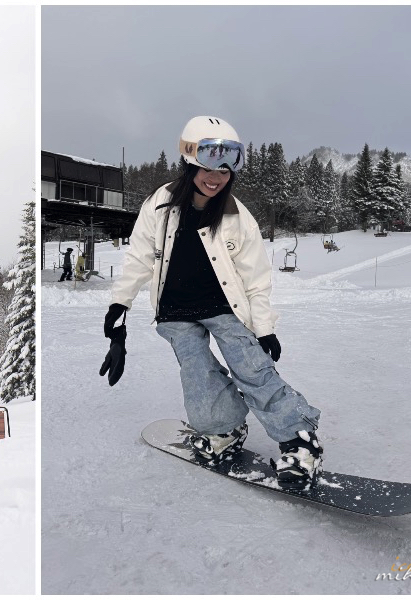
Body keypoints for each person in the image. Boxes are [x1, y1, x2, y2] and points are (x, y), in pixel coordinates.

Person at [100, 116, 323, 490]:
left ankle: (300, 443)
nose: (216, 177)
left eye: (225, 169)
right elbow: (139, 257)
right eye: (207, 166)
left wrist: (264, 328)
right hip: (174, 310)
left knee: (253, 369)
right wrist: (119, 305)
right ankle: (223, 431)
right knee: (198, 375)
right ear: (189, 162)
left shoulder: (238, 217)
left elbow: (256, 279)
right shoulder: (160, 204)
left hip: (225, 308)